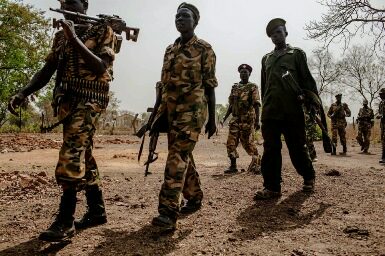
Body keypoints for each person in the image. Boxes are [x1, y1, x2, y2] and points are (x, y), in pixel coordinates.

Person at [8, 0, 117, 241]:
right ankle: (97, 210)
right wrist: (22, 92)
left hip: (90, 101)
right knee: (83, 155)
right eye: (64, 1)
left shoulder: (103, 30)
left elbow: (101, 66)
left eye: (73, 1)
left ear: (85, 5)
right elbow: (47, 70)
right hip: (67, 103)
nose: (66, 4)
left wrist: (74, 38)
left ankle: (66, 220)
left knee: (71, 153)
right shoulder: (60, 37)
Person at [150, 2, 217, 230]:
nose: (180, 19)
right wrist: (157, 113)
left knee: (176, 157)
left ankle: (168, 212)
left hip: (193, 113)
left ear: (195, 21)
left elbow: (210, 86)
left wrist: (213, 120)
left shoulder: (204, 49)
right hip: (171, 113)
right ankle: (195, 195)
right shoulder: (169, 49)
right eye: (177, 16)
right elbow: (164, 85)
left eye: (185, 16)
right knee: (181, 156)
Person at [255, 18, 320, 199]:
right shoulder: (266, 59)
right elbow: (264, 84)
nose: (276, 36)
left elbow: (307, 80)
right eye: (273, 34)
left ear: (286, 33)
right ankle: (272, 187)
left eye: (279, 32)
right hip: (271, 111)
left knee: (297, 147)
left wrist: (312, 103)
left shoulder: (296, 54)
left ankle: (308, 176)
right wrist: (264, 107)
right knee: (270, 149)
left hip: (292, 110)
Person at [222, 64, 261, 174]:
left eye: (246, 72)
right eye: (242, 72)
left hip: (247, 120)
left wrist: (257, 121)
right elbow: (231, 105)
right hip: (235, 119)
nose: (243, 74)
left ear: (249, 74)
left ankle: (258, 164)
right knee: (230, 143)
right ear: (239, 74)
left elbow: (256, 104)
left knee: (248, 143)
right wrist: (225, 118)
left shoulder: (253, 87)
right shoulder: (235, 87)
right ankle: (233, 166)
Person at [377, 88, 385, 164]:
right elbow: (380, 112)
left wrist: (382, 116)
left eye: (381, 94)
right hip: (382, 124)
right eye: (380, 94)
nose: (380, 95)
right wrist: (379, 115)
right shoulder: (381, 103)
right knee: (383, 140)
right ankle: (383, 157)